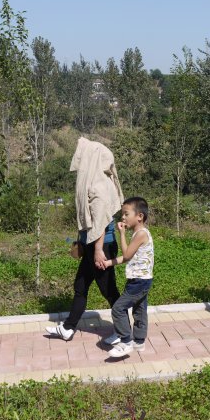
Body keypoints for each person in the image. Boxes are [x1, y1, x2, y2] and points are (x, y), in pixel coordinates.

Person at [45, 137, 124, 343]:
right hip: (92, 245)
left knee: (109, 290)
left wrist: (97, 250)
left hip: (102, 246)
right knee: (80, 286)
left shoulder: (100, 186)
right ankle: (69, 328)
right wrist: (82, 242)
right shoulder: (94, 182)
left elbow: (101, 222)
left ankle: (124, 332)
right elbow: (89, 221)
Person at [101, 197, 154, 358]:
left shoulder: (140, 234)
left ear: (139, 216)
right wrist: (109, 262)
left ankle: (126, 341)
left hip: (139, 281)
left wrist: (122, 234)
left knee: (118, 309)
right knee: (139, 310)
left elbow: (126, 254)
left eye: (126, 214)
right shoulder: (139, 234)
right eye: (122, 214)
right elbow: (127, 257)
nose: (123, 217)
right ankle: (139, 341)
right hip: (141, 279)